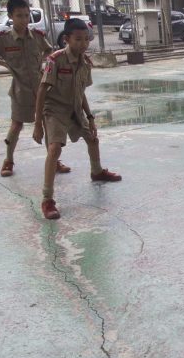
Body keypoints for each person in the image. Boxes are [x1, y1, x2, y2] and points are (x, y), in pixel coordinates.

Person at [32, 19, 122, 220]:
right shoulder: (55, 60)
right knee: (55, 148)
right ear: (67, 39)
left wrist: (89, 117)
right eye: (78, 39)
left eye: (86, 40)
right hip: (54, 110)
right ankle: (47, 199)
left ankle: (97, 171)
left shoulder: (85, 63)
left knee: (93, 139)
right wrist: (38, 124)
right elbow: (41, 90)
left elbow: (80, 93)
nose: (83, 44)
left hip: (75, 109)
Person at [0, 0, 71, 177]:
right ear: (11, 17)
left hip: (41, 87)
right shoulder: (4, 39)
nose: (24, 19)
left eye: (26, 15)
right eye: (19, 16)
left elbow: (48, 51)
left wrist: (45, 64)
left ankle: (53, 160)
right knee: (16, 125)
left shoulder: (36, 37)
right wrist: (5, 65)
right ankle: (8, 160)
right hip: (20, 90)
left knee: (48, 125)